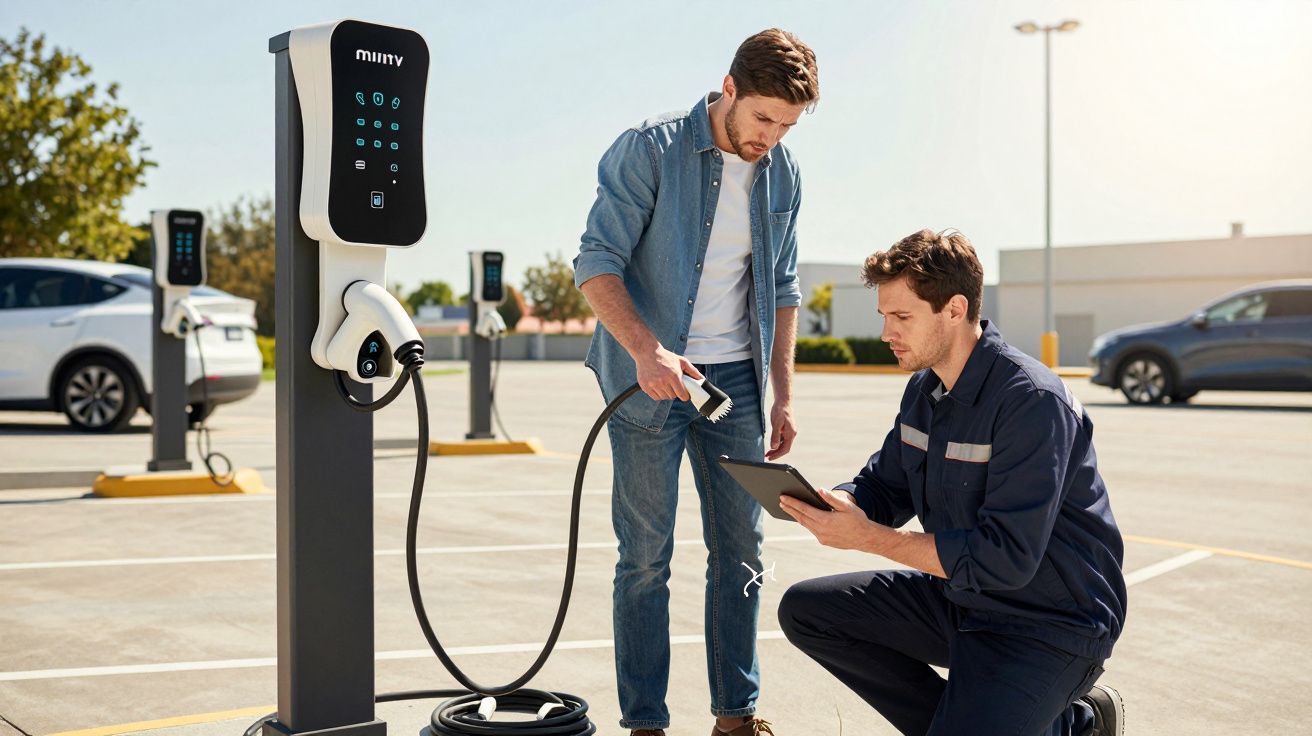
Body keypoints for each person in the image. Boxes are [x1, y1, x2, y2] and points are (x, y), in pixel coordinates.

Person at [776, 229, 1128, 736]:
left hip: (1050, 622)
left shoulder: (1031, 402)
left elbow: (1004, 558)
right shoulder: (926, 389)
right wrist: (841, 502)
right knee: (808, 611)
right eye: (884, 317)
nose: (886, 333)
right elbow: (886, 485)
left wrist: (872, 539)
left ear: (955, 309)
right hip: (964, 599)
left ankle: (1075, 723)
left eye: (902, 317)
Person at [572, 28, 819, 736]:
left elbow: (782, 286)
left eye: (787, 125)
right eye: (763, 118)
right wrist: (649, 353)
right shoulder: (648, 150)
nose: (769, 138)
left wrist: (784, 393)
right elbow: (596, 263)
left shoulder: (784, 173)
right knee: (645, 558)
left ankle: (735, 716)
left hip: (737, 386)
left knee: (742, 552)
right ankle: (646, 722)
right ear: (729, 90)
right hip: (647, 381)